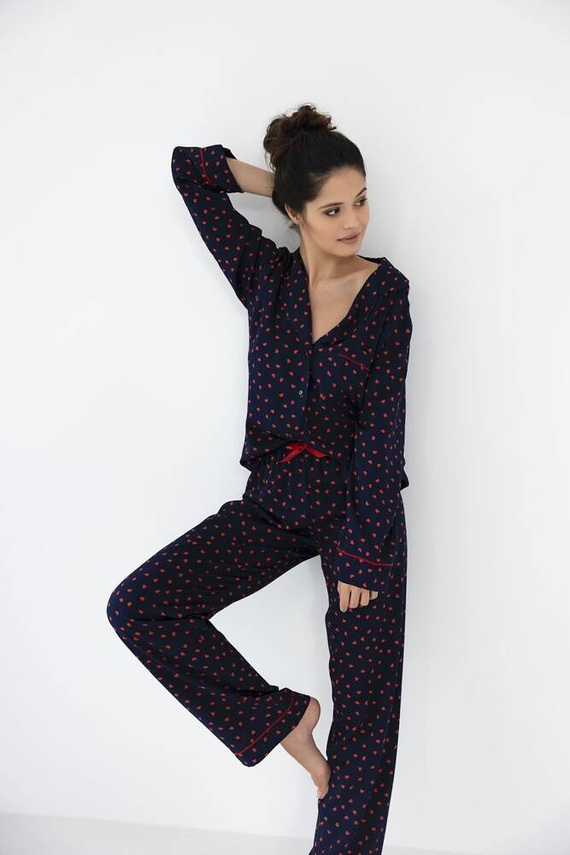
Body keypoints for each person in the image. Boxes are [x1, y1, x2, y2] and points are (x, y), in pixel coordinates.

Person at [106, 102, 413, 854]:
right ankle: (283, 720)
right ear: (297, 214)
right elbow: (188, 170)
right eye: (332, 209)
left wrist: (364, 550)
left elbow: (383, 428)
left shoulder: (386, 294)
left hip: (356, 512)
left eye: (361, 200)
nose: (355, 221)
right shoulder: (265, 277)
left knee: (366, 716)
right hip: (274, 503)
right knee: (139, 607)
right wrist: (278, 184)